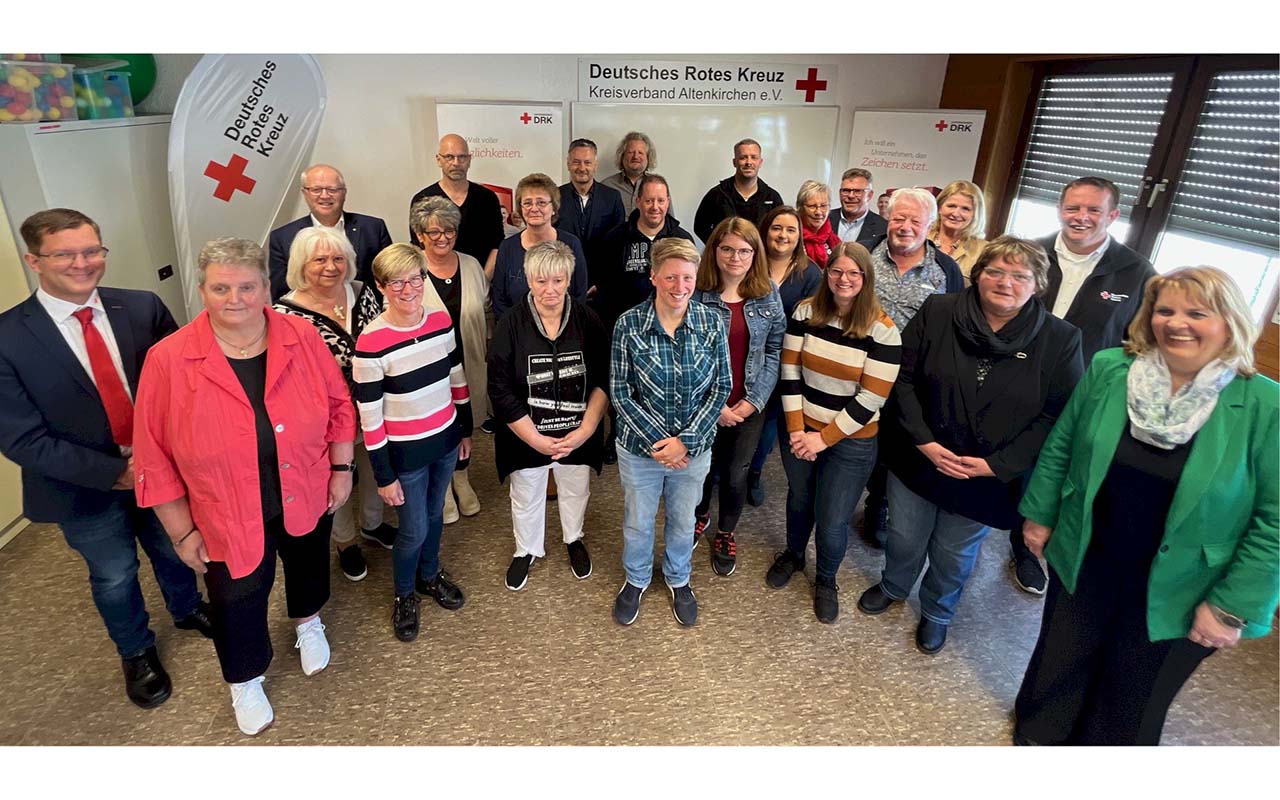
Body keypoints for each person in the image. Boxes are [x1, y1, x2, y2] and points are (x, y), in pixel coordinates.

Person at [1013, 266, 1277, 745]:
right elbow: (1063, 444)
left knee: (1136, 685)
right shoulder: (1113, 369)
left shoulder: (1264, 404)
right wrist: (1040, 514)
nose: (1178, 323)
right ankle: (1040, 736)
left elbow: (1274, 522)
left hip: (1188, 580)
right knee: (1061, 656)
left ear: (1230, 322)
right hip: (1089, 552)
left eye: (1198, 313)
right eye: (1166, 310)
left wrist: (1232, 607)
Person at [133, 237, 356, 736]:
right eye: (221, 287)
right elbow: (153, 454)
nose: (234, 297)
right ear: (202, 289)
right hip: (224, 508)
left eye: (247, 286)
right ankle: (244, 677)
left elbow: (339, 404)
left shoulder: (300, 335)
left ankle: (307, 621)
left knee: (307, 561)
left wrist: (341, 468)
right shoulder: (167, 360)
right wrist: (181, 532)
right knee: (237, 594)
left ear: (266, 286)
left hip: (306, 483)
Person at [0, 208, 212, 711]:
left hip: (160, 471)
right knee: (114, 573)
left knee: (173, 546)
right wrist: (115, 472)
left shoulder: (141, 307)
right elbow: (21, 440)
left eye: (92, 250)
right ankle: (136, 651)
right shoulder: (7, 338)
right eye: (66, 254)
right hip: (82, 486)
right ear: (34, 260)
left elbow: (191, 383)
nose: (83, 263)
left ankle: (187, 610)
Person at [856, 236, 1083, 655]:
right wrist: (923, 441)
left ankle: (938, 611)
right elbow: (901, 378)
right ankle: (893, 585)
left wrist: (998, 465)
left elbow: (1058, 416)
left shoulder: (1060, 339)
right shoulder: (939, 311)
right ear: (978, 276)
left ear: (1038, 284)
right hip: (920, 456)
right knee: (904, 536)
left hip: (987, 474)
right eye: (995, 271)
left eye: (1019, 275)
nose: (1005, 282)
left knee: (953, 552)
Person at [1007, 176, 1157, 596]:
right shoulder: (1029, 252)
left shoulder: (1137, 272)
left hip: (1084, 396)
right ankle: (999, 526)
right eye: (1073, 208)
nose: (1081, 217)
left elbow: (1141, 342)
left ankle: (1025, 549)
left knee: (1054, 469)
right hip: (1016, 383)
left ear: (1113, 216)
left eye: (1093, 210)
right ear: (1060, 209)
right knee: (1013, 463)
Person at [768, 242, 901, 623]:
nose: (844, 280)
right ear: (826, 274)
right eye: (836, 271)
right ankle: (794, 555)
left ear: (865, 278)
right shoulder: (806, 312)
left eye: (853, 273)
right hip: (799, 428)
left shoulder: (883, 330)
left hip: (851, 441)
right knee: (799, 499)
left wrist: (821, 439)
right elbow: (789, 370)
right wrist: (798, 430)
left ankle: (826, 579)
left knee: (832, 517)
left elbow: (871, 398)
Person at [353, 244, 472, 645]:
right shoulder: (371, 343)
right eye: (397, 282)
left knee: (436, 515)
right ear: (381, 286)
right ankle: (404, 595)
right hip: (405, 456)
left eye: (415, 279)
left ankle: (429, 575)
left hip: (444, 441)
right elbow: (370, 419)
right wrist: (384, 475)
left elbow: (457, 379)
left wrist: (465, 430)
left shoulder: (440, 321)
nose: (408, 289)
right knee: (413, 529)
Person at [610, 237, 731, 627]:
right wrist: (660, 444)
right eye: (671, 277)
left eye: (688, 278)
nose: (680, 286)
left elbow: (721, 387)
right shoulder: (628, 325)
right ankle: (637, 578)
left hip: (693, 452)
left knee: (682, 520)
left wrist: (686, 442)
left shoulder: (711, 322)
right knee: (637, 521)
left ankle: (679, 578)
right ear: (653, 277)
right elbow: (620, 392)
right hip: (639, 452)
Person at [273, 227, 399, 582]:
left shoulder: (362, 291)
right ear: (301, 264)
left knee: (375, 469)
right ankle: (345, 542)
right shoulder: (286, 313)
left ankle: (373, 525)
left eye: (339, 258)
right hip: (324, 418)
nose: (331, 267)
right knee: (336, 479)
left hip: (374, 407)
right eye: (320, 259)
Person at [487, 241, 610, 590]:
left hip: (578, 433)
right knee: (526, 494)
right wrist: (535, 439)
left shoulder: (588, 320)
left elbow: (604, 378)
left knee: (576, 490)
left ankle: (573, 538)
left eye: (558, 280)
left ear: (570, 279)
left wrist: (587, 431)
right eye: (541, 281)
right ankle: (526, 549)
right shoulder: (510, 323)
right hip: (527, 433)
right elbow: (499, 388)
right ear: (527, 279)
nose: (550, 289)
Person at [859, 187, 966, 547]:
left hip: (912, 377)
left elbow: (954, 326)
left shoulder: (945, 271)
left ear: (930, 225)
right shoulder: (865, 255)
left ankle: (879, 506)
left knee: (897, 444)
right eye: (898, 218)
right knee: (858, 437)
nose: (905, 226)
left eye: (915, 221)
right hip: (861, 366)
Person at [691, 218, 785, 576]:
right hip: (704, 404)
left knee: (735, 473)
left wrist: (754, 400)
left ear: (755, 254)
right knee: (701, 469)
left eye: (744, 250)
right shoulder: (698, 291)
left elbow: (775, 349)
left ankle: (726, 532)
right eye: (727, 248)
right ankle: (699, 516)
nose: (735, 257)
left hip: (749, 404)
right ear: (714, 250)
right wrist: (715, 406)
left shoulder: (767, 292)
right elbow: (687, 351)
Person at [594, 173, 697, 464]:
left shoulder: (681, 239)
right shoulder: (615, 239)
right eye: (649, 199)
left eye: (661, 200)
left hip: (670, 332)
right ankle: (618, 435)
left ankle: (667, 438)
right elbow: (604, 286)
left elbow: (689, 287)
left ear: (668, 202)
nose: (655, 206)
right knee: (624, 389)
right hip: (626, 330)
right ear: (637, 201)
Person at [410, 196, 488, 522]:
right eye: (434, 232)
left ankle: (461, 476)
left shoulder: (470, 265)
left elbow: (487, 312)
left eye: (450, 231)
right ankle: (441, 486)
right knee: (437, 424)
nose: (443, 238)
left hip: (469, 360)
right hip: (428, 370)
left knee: (465, 421)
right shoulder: (410, 269)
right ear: (419, 235)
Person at [746, 205, 822, 507]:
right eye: (777, 227)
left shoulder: (810, 273)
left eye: (791, 229)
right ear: (766, 230)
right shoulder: (751, 262)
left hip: (787, 359)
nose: (783, 235)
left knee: (768, 422)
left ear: (800, 236)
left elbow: (813, 321)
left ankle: (754, 471)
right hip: (746, 354)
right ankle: (721, 471)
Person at [268, 163, 392, 301]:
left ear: (344, 193)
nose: (325, 196)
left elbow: (391, 277)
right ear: (305, 193)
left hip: (367, 313)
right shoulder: (282, 238)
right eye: (316, 189)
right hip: (308, 318)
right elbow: (280, 293)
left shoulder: (373, 228)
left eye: (332, 189)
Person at [491, 172, 589, 319]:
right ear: (521, 208)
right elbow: (499, 299)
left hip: (563, 332)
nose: (534, 208)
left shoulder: (571, 244)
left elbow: (579, 294)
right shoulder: (507, 247)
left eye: (541, 202)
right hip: (517, 334)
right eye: (527, 203)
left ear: (554, 207)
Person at [410, 134, 505, 280]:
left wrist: (482, 281)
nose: (456, 162)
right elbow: (418, 247)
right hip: (434, 283)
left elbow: (496, 245)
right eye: (449, 157)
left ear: (469, 160)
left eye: (462, 157)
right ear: (438, 160)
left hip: (481, 280)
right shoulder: (422, 200)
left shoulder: (487, 198)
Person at [556, 137, 625, 281]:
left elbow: (619, 245)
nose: (582, 168)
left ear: (595, 166)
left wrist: (602, 283)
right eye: (576, 162)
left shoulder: (612, 198)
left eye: (587, 162)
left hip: (603, 283)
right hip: (562, 281)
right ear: (568, 164)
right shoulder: (555, 197)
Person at [693, 138, 785, 243]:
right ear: (734, 162)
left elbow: (780, 230)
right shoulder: (717, 194)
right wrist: (719, 247)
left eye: (754, 157)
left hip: (761, 258)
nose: (749, 162)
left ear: (760, 162)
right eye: (743, 158)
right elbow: (700, 227)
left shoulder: (772, 198)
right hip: (726, 258)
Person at [599, 131, 673, 219]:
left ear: (648, 158)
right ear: (622, 156)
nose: (635, 157)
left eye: (640, 153)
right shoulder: (606, 186)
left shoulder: (658, 186)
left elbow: (670, 222)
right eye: (631, 152)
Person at [928, 179, 987, 282]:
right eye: (951, 206)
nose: (956, 213)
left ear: (975, 214)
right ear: (939, 207)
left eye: (965, 209)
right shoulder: (920, 239)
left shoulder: (984, 251)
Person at [829, 168, 887, 249]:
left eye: (858, 191)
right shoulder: (824, 220)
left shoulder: (883, 228)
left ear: (870, 195)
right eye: (846, 190)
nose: (851, 196)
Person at [796, 180, 841, 269]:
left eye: (823, 206)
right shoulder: (792, 237)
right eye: (812, 206)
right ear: (800, 208)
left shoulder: (834, 240)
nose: (818, 212)